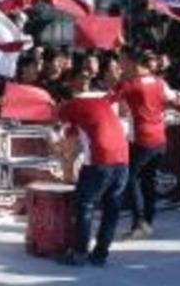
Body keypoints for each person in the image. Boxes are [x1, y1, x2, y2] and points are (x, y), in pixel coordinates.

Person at [56, 78, 128, 267]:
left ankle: (79, 253)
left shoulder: (69, 107)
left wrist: (67, 170)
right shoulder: (100, 101)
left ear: (61, 100)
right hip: (123, 159)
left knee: (84, 206)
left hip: (99, 161)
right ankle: (100, 254)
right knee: (111, 209)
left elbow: (71, 144)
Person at [111, 48, 180, 239]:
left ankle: (140, 223)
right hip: (159, 140)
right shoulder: (159, 81)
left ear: (131, 62)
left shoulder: (128, 84)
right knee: (148, 180)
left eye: (121, 61)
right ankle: (147, 221)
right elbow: (177, 100)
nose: (119, 65)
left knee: (132, 179)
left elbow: (105, 101)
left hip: (141, 140)